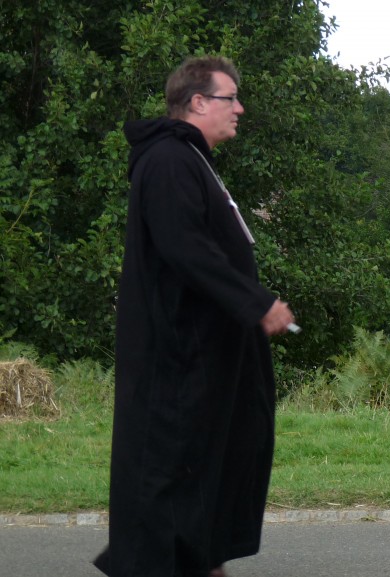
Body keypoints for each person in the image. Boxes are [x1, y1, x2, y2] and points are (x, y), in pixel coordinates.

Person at [94, 55, 295, 577]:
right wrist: (258, 303)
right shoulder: (168, 161)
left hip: (203, 353)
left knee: (207, 465)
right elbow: (186, 247)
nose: (241, 109)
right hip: (176, 356)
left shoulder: (188, 159)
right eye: (231, 98)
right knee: (171, 471)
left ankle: (203, 561)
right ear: (198, 102)